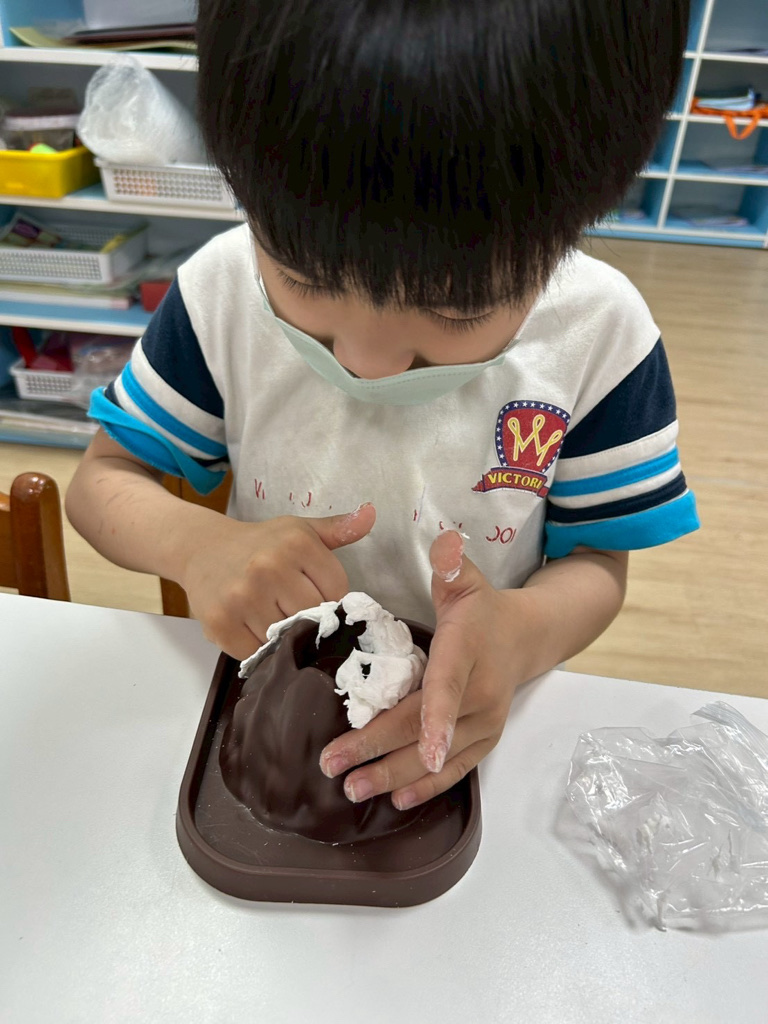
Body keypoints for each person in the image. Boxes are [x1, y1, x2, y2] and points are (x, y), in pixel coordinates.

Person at [66, 0, 698, 813]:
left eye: (455, 312)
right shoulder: (218, 294)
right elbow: (102, 482)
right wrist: (196, 546)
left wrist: (518, 635)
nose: (364, 365)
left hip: (467, 727)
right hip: (272, 703)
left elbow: (598, 564)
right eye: (306, 278)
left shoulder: (600, 339)